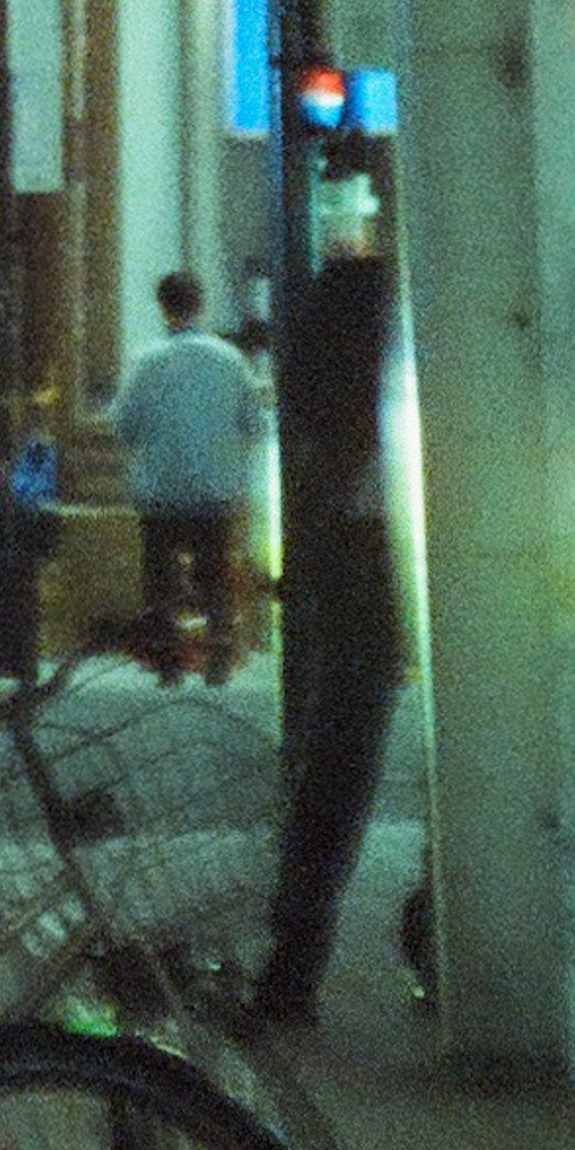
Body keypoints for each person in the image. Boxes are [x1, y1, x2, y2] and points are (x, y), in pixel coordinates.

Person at [244, 239, 408, 1034]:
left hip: (341, 601)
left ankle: (293, 961)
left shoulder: (319, 398)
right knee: (340, 775)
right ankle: (302, 962)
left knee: (329, 784)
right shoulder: (398, 394)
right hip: (377, 597)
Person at [110, 267, 261, 682]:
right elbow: (253, 423)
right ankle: (217, 660)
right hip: (216, 489)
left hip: (161, 490)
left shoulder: (145, 362)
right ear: (201, 304)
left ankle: (168, 663)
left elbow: (124, 426)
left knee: (160, 576)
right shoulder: (230, 361)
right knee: (214, 575)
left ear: (163, 308)